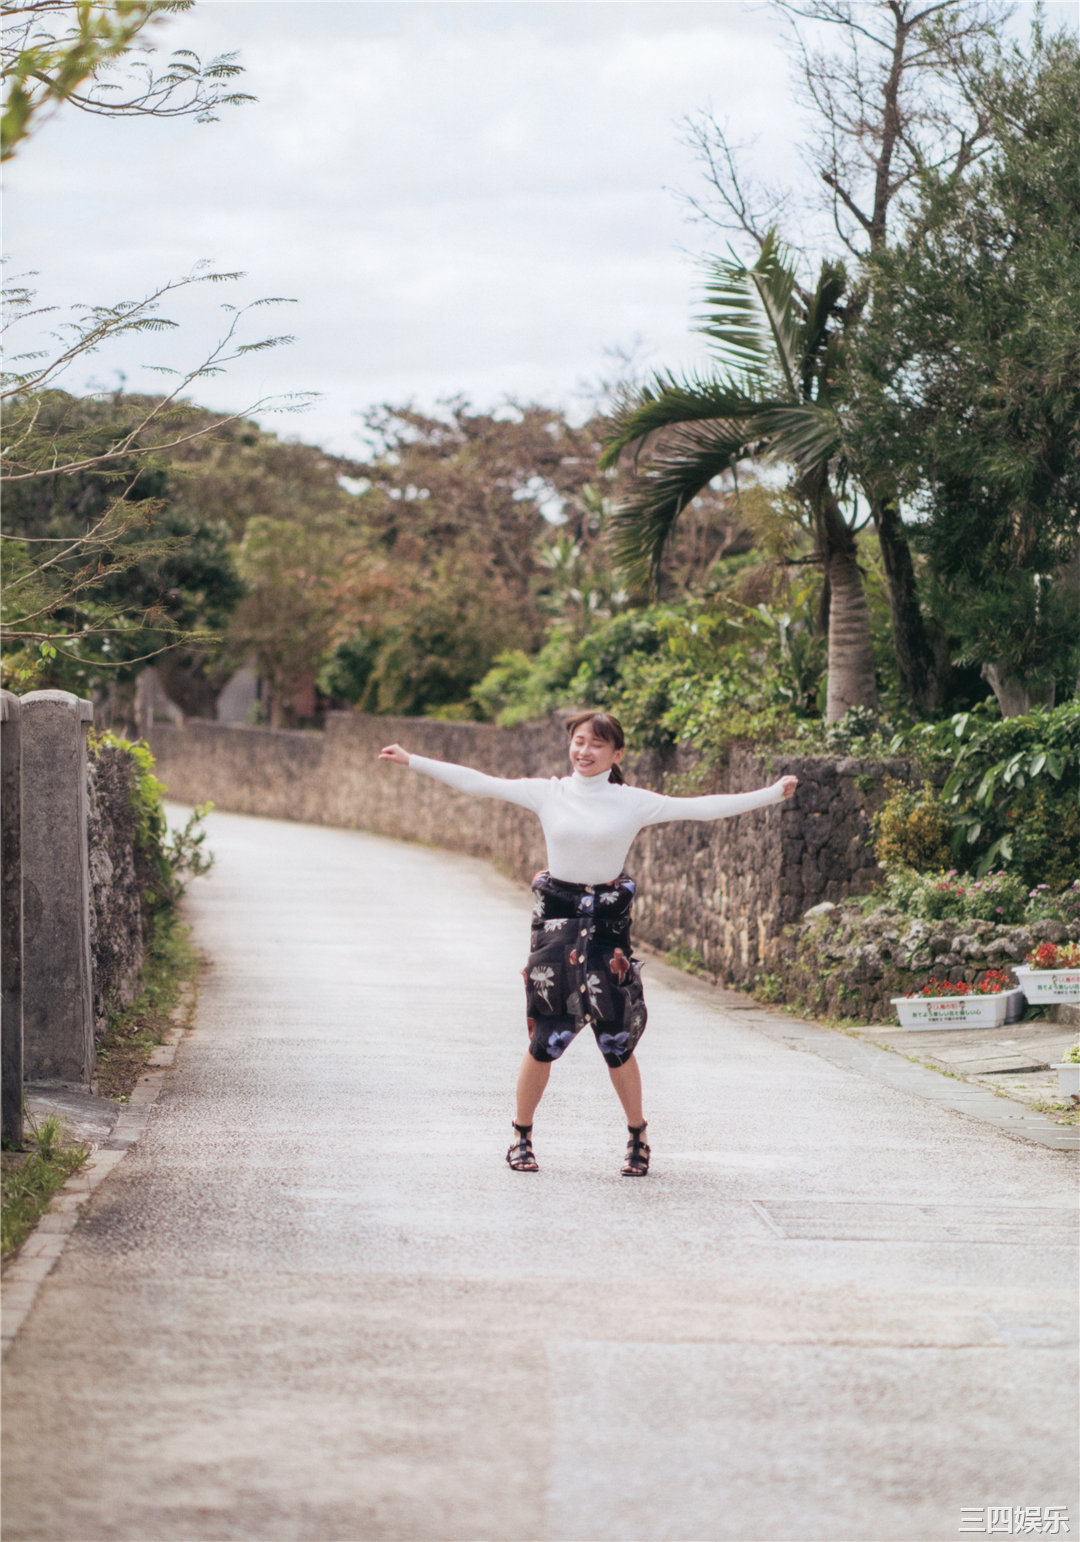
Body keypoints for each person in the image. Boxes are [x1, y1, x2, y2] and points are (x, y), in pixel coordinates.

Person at [379, 712, 797, 1177]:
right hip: (555, 929)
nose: (585, 751)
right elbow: (479, 783)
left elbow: (702, 806)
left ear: (616, 754)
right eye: (578, 741)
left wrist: (771, 794)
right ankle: (521, 1135)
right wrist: (413, 760)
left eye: (597, 744)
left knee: (616, 1040)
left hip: (606, 933)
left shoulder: (632, 802)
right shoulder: (549, 793)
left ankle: (638, 1137)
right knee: (544, 1037)